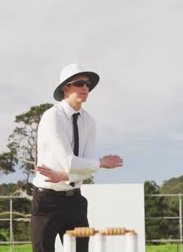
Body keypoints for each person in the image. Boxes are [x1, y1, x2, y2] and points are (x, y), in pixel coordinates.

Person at [31, 63, 123, 252]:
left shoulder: (89, 121)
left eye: (87, 84)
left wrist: (65, 176)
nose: (85, 88)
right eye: (79, 83)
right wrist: (101, 163)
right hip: (47, 200)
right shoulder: (52, 117)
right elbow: (71, 163)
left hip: (75, 201)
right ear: (65, 88)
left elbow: (84, 168)